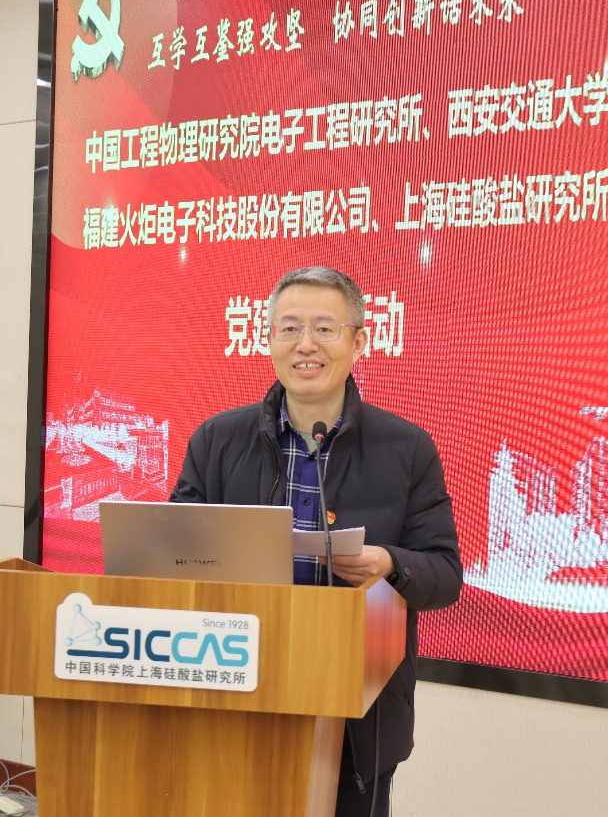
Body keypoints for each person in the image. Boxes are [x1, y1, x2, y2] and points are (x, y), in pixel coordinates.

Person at [170, 266, 462, 816]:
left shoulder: (406, 449)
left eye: (325, 328)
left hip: (356, 714)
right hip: (235, 691)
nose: (305, 344)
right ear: (268, 340)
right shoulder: (217, 440)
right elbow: (171, 553)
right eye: (289, 328)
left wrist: (389, 564)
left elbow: (444, 575)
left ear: (359, 342)